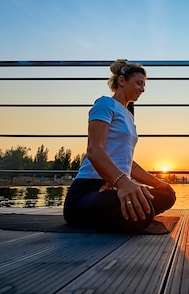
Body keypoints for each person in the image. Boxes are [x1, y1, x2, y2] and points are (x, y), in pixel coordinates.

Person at [64, 60, 176, 232]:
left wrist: (158, 182)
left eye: (144, 85)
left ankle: (128, 214)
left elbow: (128, 163)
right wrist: (122, 182)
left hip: (116, 185)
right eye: (139, 83)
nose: (142, 89)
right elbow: (94, 150)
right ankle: (133, 215)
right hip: (88, 190)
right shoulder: (104, 104)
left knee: (168, 195)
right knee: (142, 213)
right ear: (122, 81)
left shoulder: (129, 116)